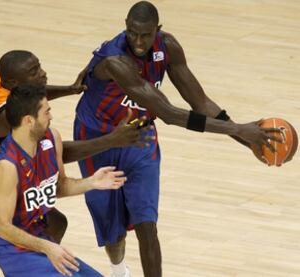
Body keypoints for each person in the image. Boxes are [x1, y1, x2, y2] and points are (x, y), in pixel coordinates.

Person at [73, 2, 282, 277]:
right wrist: (240, 130)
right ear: (125, 25)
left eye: (145, 35)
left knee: (147, 224)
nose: (137, 41)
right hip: (98, 137)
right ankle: (118, 270)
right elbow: (170, 114)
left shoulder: (167, 47)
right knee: (114, 232)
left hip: (139, 134)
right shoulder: (115, 61)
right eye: (132, 33)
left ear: (157, 31)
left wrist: (247, 139)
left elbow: (200, 102)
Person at [0, 49, 153, 277]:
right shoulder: (3, 122)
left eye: (38, 67)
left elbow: (30, 94)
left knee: (54, 222)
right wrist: (111, 140)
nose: (42, 74)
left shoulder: (3, 83)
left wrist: (70, 89)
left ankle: (36, 266)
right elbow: (58, 153)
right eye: (34, 71)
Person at [0, 85, 128, 276]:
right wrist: (47, 246)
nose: (51, 117)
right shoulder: (7, 166)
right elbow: (3, 228)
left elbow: (59, 186)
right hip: (15, 253)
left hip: (41, 241)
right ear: (29, 120)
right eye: (46, 112)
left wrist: (92, 182)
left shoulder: (52, 138)